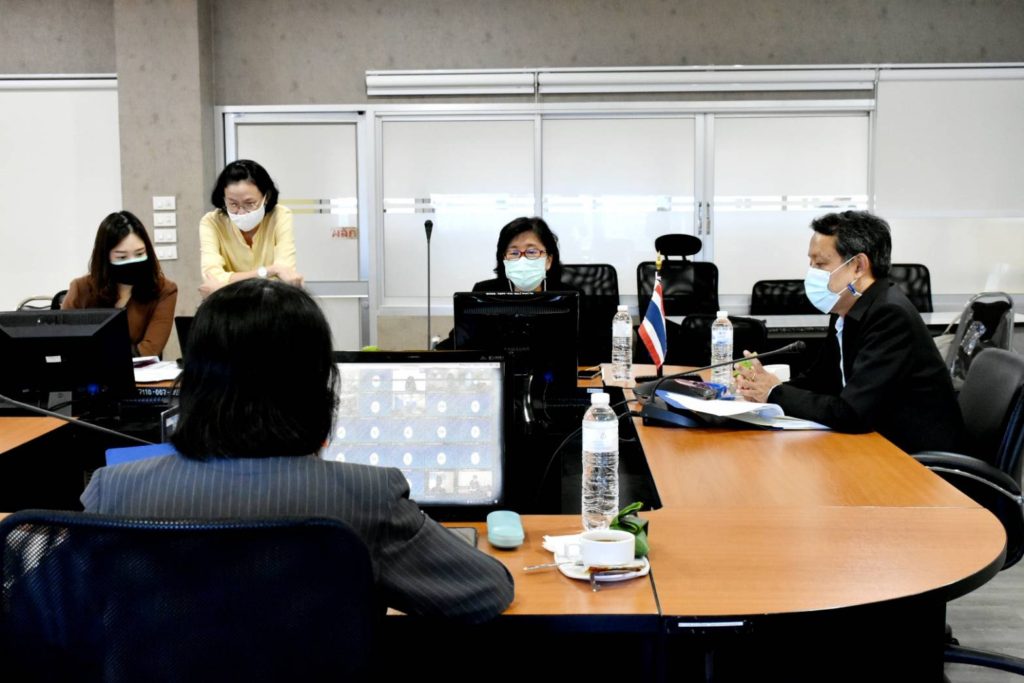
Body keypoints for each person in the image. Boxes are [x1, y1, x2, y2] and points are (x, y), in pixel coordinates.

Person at [81, 279, 514, 623]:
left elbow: (56, 611)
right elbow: (485, 590)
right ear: (316, 389)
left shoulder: (114, 493)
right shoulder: (367, 498)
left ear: (194, 384)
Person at [735, 210, 964, 454]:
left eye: (821, 264)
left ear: (858, 266)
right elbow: (821, 381)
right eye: (811, 263)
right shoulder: (845, 308)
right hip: (876, 444)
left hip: (916, 460)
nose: (812, 272)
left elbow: (852, 412)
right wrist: (761, 387)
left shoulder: (890, 315)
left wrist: (774, 392)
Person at [62, 211, 178, 357]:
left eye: (139, 254)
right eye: (122, 257)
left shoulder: (164, 290)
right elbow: (64, 341)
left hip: (138, 369)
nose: (132, 261)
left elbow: (150, 348)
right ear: (105, 257)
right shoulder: (81, 288)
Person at [199, 159, 303, 298]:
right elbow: (212, 277)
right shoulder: (211, 222)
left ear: (266, 197)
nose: (241, 212)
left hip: (268, 304)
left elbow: (285, 274)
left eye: (249, 203)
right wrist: (269, 271)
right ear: (224, 199)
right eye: (233, 204)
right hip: (226, 307)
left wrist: (225, 286)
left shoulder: (280, 216)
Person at [472, 216, 571, 292]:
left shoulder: (569, 296)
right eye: (514, 253)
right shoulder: (483, 292)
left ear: (548, 260)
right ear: (504, 259)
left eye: (531, 252)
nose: (522, 259)